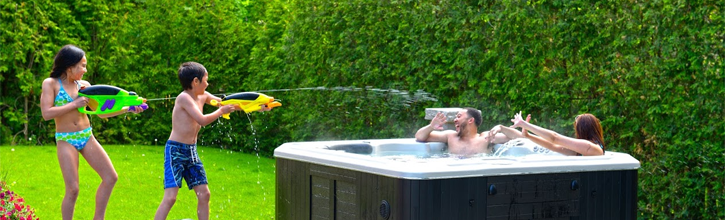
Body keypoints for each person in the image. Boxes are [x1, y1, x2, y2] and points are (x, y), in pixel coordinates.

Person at [40, 45, 144, 220]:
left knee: (110, 177)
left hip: (86, 136)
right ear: (69, 65)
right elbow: (46, 114)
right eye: (82, 65)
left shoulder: (84, 86)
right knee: (73, 189)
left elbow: (101, 113)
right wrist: (74, 104)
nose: (85, 70)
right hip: (66, 139)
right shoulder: (51, 84)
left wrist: (128, 108)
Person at [153, 62, 269, 220]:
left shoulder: (204, 96)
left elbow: (227, 104)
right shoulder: (184, 98)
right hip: (175, 152)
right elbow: (202, 120)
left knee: (204, 194)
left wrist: (256, 106)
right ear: (195, 81)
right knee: (171, 198)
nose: (208, 84)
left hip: (191, 152)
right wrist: (221, 112)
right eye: (205, 80)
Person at [415, 107, 520, 156]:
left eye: (459, 116)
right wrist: (431, 126)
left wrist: (502, 128)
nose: (455, 119)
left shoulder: (486, 138)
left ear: (471, 120)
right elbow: (419, 137)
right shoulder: (450, 136)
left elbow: (521, 138)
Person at [492, 112, 605, 156]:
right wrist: (528, 135)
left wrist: (525, 125)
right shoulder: (584, 150)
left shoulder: (591, 148)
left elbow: (555, 138)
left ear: (583, 130)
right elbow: (552, 146)